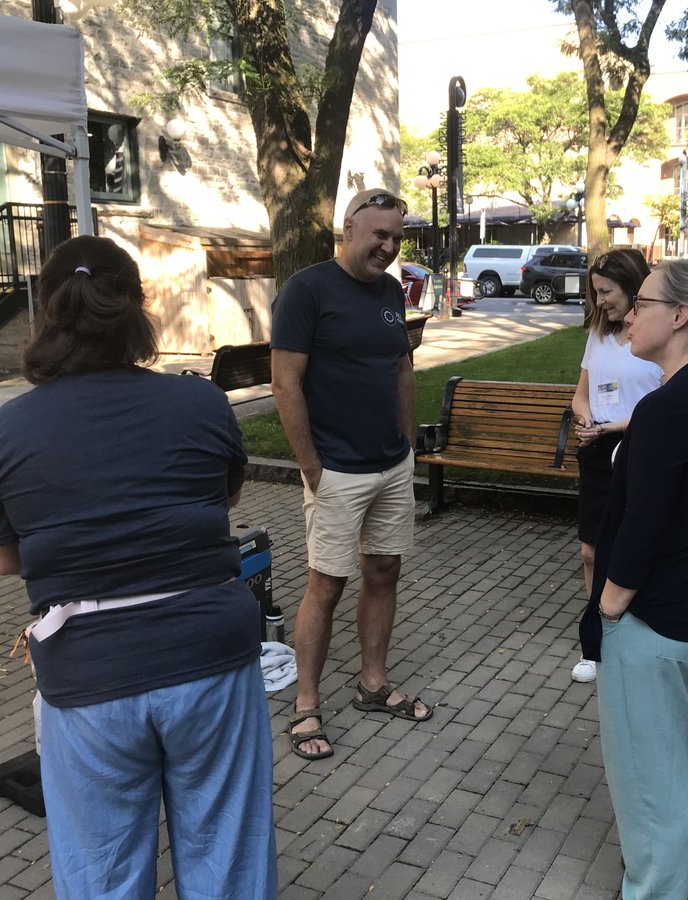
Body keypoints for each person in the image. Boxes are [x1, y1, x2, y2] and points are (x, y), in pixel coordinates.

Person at [0, 236, 276, 899]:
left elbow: (6, 561)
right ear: (138, 309)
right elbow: (220, 499)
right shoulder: (200, 403)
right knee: (229, 859)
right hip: (210, 658)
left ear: (46, 312)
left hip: (89, 674)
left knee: (102, 873)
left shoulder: (10, 430)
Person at [579, 258, 688, 900]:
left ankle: (659, 889)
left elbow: (644, 524)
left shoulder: (664, 409)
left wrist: (612, 607)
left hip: (657, 620)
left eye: (642, 303)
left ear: (680, 316)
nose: (626, 313)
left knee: (652, 779)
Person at [271, 187, 432, 761]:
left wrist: (407, 439)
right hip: (336, 468)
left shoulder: (391, 291)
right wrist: (310, 462)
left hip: (391, 464)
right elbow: (285, 381)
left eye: (396, 237)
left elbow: (401, 365)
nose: (388, 247)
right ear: (347, 230)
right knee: (326, 584)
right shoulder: (307, 290)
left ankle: (372, 683)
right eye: (379, 235)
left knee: (384, 570)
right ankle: (306, 704)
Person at [568, 249, 662, 683]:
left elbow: (661, 404)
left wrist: (611, 427)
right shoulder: (598, 334)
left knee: (631, 544)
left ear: (631, 286)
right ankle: (596, 639)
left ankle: (629, 629)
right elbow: (581, 393)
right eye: (595, 292)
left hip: (637, 445)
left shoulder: (655, 337)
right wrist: (586, 418)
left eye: (606, 292)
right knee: (591, 549)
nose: (599, 301)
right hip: (597, 448)